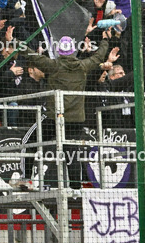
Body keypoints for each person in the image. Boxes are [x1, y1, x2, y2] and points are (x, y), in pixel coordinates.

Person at [24, 32, 118, 187]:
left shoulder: (53, 65)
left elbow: (32, 56)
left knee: (29, 143)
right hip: (76, 120)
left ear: (59, 51)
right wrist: (105, 40)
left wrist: (13, 42)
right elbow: (99, 56)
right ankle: (75, 189)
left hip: (55, 118)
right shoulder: (83, 66)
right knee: (72, 154)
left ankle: (26, 179)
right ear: (73, 51)